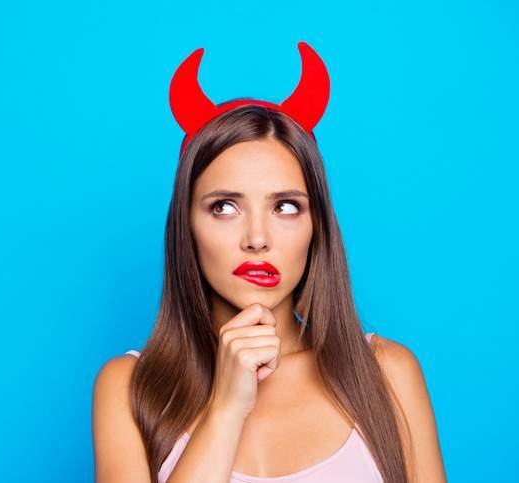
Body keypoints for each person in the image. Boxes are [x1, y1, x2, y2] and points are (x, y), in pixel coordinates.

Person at [92, 42, 447, 483]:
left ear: (317, 223)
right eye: (224, 207)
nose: (257, 239)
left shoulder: (388, 374)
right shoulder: (129, 388)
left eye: (285, 207)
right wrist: (226, 408)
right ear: (186, 225)